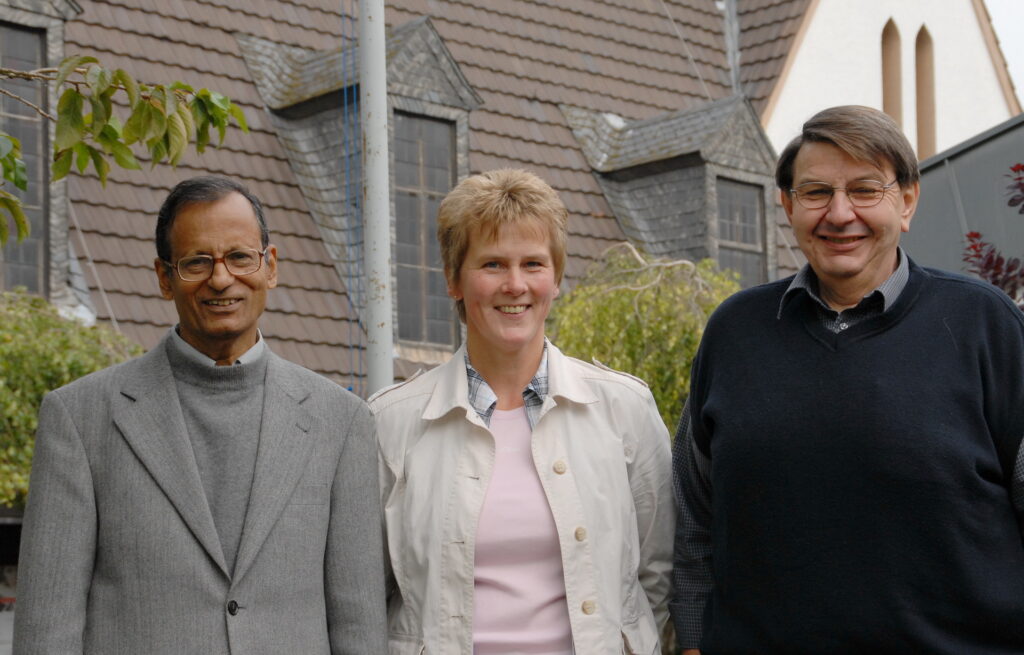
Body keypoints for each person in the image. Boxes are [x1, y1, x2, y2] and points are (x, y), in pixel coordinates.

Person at [671, 105, 1024, 654]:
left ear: (906, 202)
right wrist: (693, 641)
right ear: (786, 204)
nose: (840, 214)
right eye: (816, 193)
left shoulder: (986, 326)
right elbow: (694, 517)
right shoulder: (734, 332)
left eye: (865, 190)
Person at [13, 176, 387, 654]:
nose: (221, 278)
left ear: (269, 267)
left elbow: (358, 627)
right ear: (164, 278)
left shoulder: (343, 422)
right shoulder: (80, 419)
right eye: (196, 262)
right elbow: (46, 630)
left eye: (239, 257)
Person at [370, 168, 674, 654]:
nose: (515, 285)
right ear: (453, 279)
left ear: (555, 280)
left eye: (533, 264)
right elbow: (368, 591)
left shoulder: (625, 411)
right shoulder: (390, 424)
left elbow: (656, 574)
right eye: (492, 265)